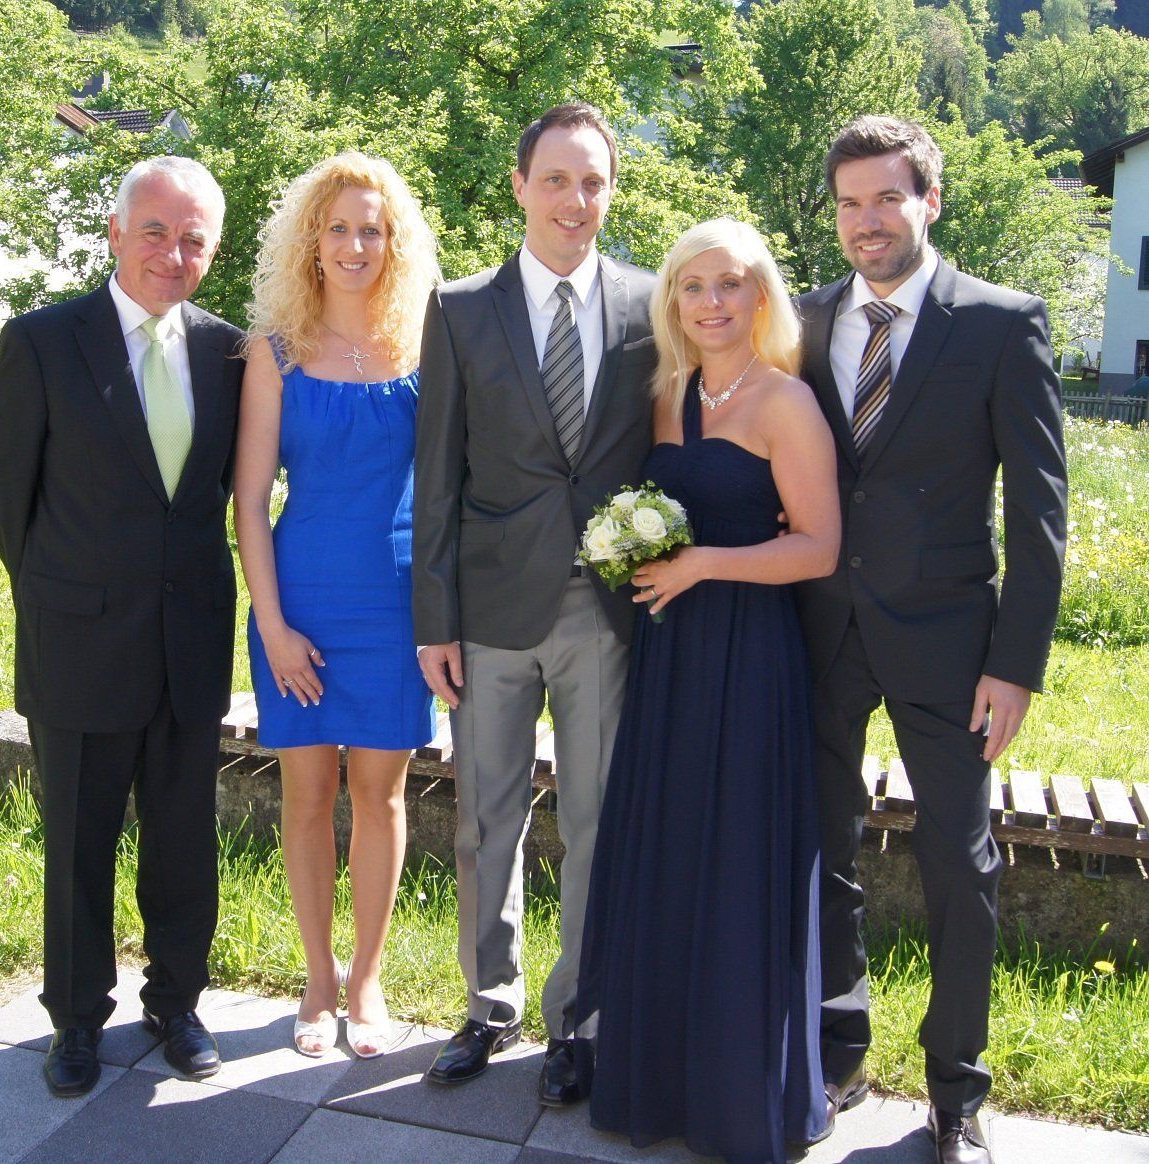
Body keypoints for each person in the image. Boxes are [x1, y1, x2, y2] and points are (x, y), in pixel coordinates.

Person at [796, 116, 1067, 1164]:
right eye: (848, 203)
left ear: (928, 202)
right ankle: (836, 1055)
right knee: (821, 850)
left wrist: (1014, 664)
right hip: (819, 630)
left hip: (952, 646)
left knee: (960, 862)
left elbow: (1038, 516)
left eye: (885, 198)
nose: (865, 221)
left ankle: (955, 1092)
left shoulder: (1000, 324)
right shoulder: (802, 318)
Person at [0, 156, 244, 1097]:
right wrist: (64, 594)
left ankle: (176, 1003)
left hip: (189, 642)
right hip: (78, 641)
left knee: (184, 842)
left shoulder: (231, 353)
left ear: (213, 248)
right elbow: (3, 492)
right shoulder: (45, 341)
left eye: (194, 238)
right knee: (78, 848)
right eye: (156, 232)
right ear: (117, 234)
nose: (174, 253)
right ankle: (76, 1019)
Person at [575, 218, 838, 1161]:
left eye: (730, 284)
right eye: (692, 286)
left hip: (748, 656)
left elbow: (819, 547)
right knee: (670, 851)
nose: (712, 302)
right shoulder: (665, 395)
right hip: (671, 657)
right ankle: (658, 1080)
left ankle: (736, 1096)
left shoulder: (785, 402)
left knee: (734, 859)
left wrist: (702, 565)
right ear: (672, 301)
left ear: (760, 295)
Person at [412, 103, 658, 1104]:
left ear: (611, 191)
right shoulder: (458, 309)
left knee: (596, 822)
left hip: (603, 612)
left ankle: (579, 1020)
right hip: (487, 614)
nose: (574, 199)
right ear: (520, 186)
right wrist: (433, 620)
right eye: (555, 178)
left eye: (592, 181)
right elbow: (436, 476)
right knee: (485, 822)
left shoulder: (651, 306)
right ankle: (488, 1004)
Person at [235, 153, 440, 1060]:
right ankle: (317, 980)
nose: (355, 245)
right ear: (310, 242)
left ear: (394, 243)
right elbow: (248, 503)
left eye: (372, 229)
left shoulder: (426, 348)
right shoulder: (274, 351)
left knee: (381, 796)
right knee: (308, 796)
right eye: (338, 228)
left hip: (397, 607)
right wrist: (273, 625)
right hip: (301, 604)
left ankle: (367, 981)